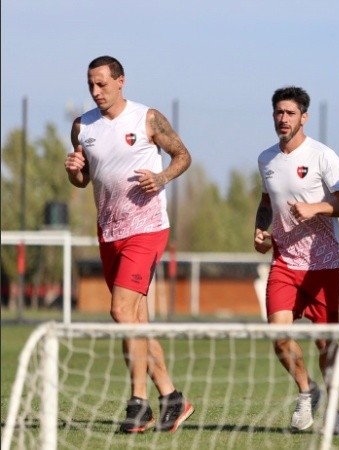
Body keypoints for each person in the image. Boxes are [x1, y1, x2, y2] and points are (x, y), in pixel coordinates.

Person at [64, 55, 195, 433]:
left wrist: (163, 177)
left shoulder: (147, 118)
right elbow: (84, 180)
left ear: (121, 81)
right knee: (136, 319)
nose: (96, 91)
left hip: (147, 227)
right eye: (91, 84)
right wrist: (75, 172)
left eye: (102, 83)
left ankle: (139, 404)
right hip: (109, 231)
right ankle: (172, 398)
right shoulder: (82, 126)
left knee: (121, 311)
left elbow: (183, 156)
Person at [253, 86, 339, 435]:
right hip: (284, 263)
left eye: (290, 113)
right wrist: (260, 230)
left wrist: (317, 207)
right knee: (279, 336)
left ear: (304, 117)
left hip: (323, 264)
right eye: (278, 113)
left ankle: (335, 410)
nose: (283, 119)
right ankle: (306, 391)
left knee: (325, 344)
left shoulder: (323, 156)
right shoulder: (266, 159)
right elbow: (267, 201)